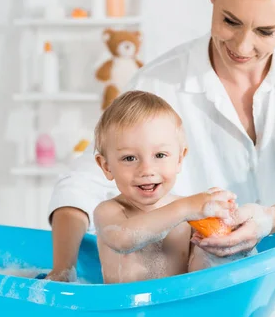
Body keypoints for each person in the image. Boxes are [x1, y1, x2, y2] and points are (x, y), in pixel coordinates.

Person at [46, 0, 275, 317]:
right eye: (230, 21)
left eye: (265, 31)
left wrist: (268, 219)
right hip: (212, 315)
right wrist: (63, 271)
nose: (243, 46)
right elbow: (84, 180)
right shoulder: (160, 83)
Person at [90, 90, 246, 283]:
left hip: (176, 310)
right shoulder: (109, 212)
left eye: (160, 155)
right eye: (129, 158)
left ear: (180, 159)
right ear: (106, 166)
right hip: (127, 312)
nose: (147, 169)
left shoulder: (189, 215)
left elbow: (197, 275)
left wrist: (216, 240)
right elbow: (124, 239)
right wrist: (187, 208)